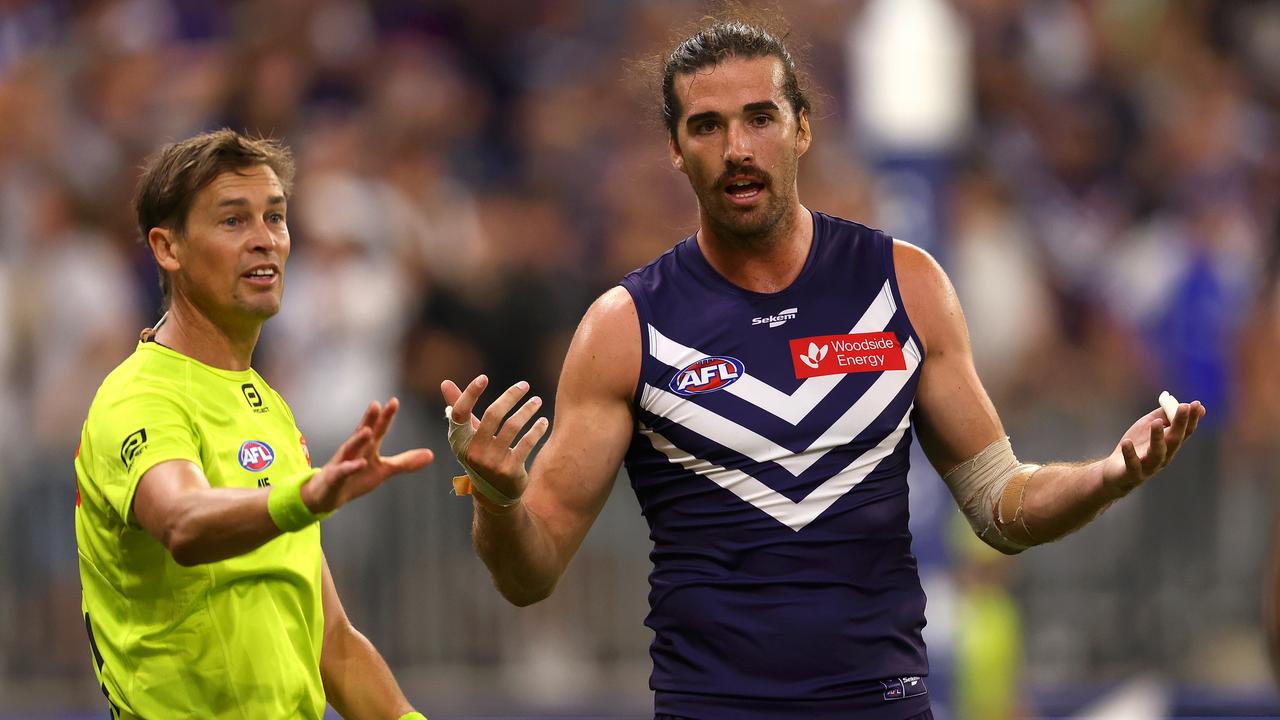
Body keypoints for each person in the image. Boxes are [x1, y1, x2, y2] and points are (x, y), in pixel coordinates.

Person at [440, 19, 1205, 720]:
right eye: (706, 126)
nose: (736, 147)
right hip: (713, 708)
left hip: (883, 704)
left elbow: (1002, 507)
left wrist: (1109, 473)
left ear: (802, 128)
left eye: (759, 118)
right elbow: (529, 575)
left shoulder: (904, 287)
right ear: (675, 149)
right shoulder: (625, 329)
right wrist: (502, 503)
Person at [74, 129, 432, 719]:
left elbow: (333, 642)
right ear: (168, 248)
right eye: (233, 222)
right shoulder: (139, 395)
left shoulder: (267, 403)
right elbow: (183, 521)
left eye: (276, 218)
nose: (265, 240)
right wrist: (305, 496)